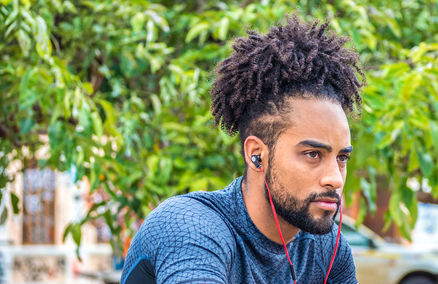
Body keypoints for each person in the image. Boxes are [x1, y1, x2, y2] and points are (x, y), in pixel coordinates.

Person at [121, 15, 364, 284]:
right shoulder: (189, 226)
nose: (335, 178)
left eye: (342, 157)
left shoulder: (326, 248)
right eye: (312, 154)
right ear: (256, 154)